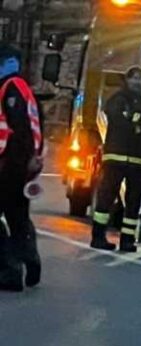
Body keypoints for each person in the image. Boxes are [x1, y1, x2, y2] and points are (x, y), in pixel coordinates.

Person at [90, 66, 141, 252]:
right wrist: (137, 121)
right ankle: (98, 237)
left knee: (134, 202)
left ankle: (128, 240)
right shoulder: (117, 99)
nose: (136, 82)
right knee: (106, 197)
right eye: (133, 78)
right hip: (115, 158)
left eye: (140, 79)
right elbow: (116, 120)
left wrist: (135, 119)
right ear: (127, 80)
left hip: (138, 161)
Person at [0, 43, 43, 291]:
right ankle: (28, 257)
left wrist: (23, 161)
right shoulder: (21, 88)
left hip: (11, 165)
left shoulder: (12, 88)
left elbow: (21, 130)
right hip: (17, 164)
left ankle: (12, 269)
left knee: (15, 216)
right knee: (17, 217)